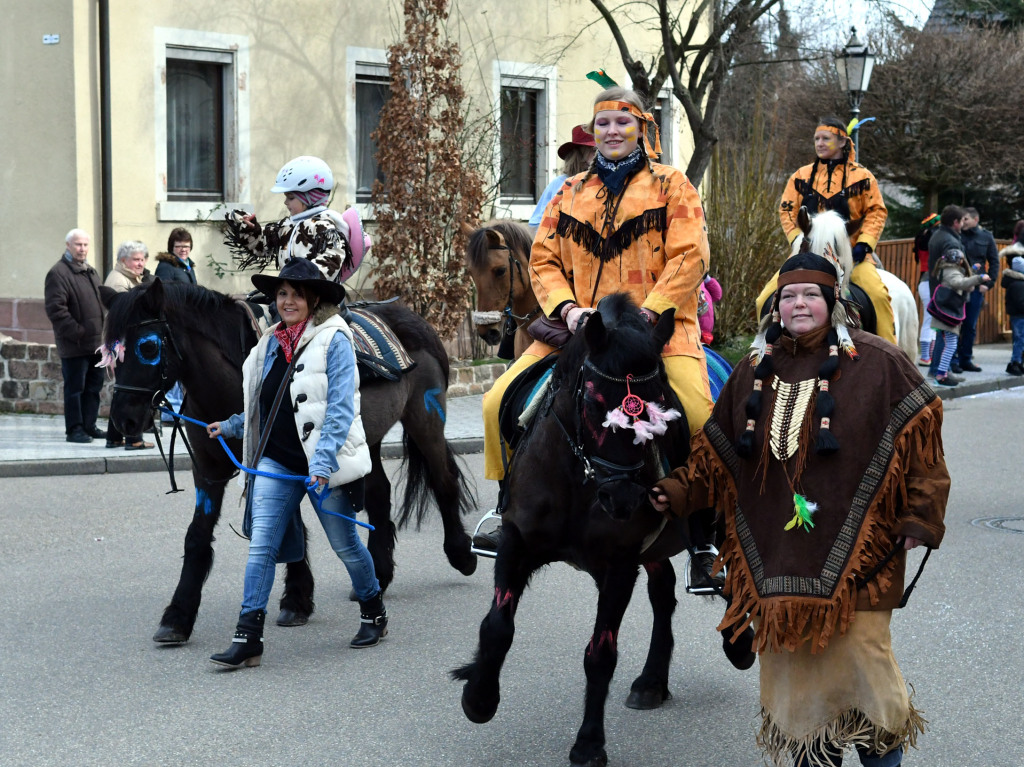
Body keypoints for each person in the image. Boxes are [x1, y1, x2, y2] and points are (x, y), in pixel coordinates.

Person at [650, 252, 949, 767]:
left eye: (810, 294)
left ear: (832, 302)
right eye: (788, 296)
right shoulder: (752, 370)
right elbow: (716, 455)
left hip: (863, 554)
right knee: (798, 687)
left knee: (866, 674)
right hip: (778, 557)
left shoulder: (878, 362)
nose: (799, 304)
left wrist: (920, 514)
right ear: (775, 309)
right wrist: (676, 491)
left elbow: (922, 437)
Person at [474, 87, 714, 558]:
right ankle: (507, 512)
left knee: (701, 417)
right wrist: (568, 310)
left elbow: (692, 254)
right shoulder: (569, 191)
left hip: (659, 337)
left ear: (641, 128)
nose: (612, 132)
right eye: (603, 124)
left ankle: (703, 536)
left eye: (622, 123)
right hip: (586, 335)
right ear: (594, 131)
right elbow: (542, 261)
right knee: (493, 404)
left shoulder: (673, 185)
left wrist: (652, 310)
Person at [206, 257, 385, 670]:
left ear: (313, 299)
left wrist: (321, 465)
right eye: (281, 293)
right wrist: (232, 425)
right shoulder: (271, 341)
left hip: (322, 465)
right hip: (275, 461)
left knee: (346, 546)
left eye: (296, 294)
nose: (287, 301)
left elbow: (340, 408)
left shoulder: (334, 340)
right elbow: (263, 401)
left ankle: (373, 608)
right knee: (261, 547)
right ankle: (248, 636)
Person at [772, 117, 896, 345]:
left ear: (842, 142)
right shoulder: (800, 176)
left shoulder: (863, 176)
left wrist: (864, 244)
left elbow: (876, 211)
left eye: (825, 139)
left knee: (878, 297)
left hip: (853, 258)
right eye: (816, 139)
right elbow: (787, 210)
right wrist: (797, 239)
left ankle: (892, 356)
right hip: (806, 255)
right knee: (765, 298)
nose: (819, 143)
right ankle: (766, 354)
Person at [223, 155, 371, 287]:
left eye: (291, 197)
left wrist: (302, 281)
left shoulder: (324, 227)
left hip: (316, 298)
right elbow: (261, 247)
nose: (286, 202)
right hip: (289, 293)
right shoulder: (287, 226)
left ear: (310, 198)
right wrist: (248, 227)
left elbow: (332, 260)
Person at [44, 229, 106, 444]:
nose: (82, 249)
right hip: (74, 345)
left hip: (96, 344)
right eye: (78, 245)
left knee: (93, 389)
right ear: (68, 245)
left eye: (85, 245)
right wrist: (78, 332)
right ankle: (75, 429)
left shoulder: (90, 271)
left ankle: (89, 425)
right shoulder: (58, 273)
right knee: (75, 390)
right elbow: (56, 310)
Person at [101, 241, 155, 450]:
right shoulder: (119, 281)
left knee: (121, 390)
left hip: (123, 341)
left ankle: (114, 437)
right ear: (123, 260)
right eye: (136, 259)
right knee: (132, 388)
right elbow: (126, 314)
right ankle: (134, 438)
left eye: (142, 259)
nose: (140, 263)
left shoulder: (130, 278)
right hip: (124, 343)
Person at [929, 245, 990, 386]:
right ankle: (940, 375)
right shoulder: (951, 272)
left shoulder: (948, 270)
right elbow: (960, 282)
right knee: (950, 345)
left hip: (947, 312)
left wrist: (973, 270)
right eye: (962, 260)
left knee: (950, 344)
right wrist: (979, 278)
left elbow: (961, 277)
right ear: (959, 261)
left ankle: (943, 373)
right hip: (948, 314)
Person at [155, 228, 197, 422]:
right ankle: (170, 414)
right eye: (179, 247)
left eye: (186, 246)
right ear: (171, 247)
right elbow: (164, 295)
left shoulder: (187, 266)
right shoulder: (167, 267)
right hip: (174, 324)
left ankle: (180, 411)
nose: (183, 250)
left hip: (186, 323)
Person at [527, 124, 596, 234]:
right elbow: (536, 225)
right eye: (594, 150)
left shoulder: (606, 183)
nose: (600, 155)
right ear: (579, 154)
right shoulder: (559, 184)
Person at [926, 205, 968, 382]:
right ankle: (940, 371)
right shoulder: (950, 241)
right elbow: (951, 269)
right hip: (948, 292)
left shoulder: (937, 235)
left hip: (938, 289)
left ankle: (938, 369)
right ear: (955, 222)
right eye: (962, 220)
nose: (964, 224)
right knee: (946, 333)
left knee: (941, 332)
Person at [956, 207, 1000, 372]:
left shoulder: (986, 236)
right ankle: (952, 359)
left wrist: (988, 284)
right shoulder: (957, 235)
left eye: (966, 219)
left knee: (970, 325)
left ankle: (965, 359)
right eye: (962, 219)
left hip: (976, 287)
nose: (963, 221)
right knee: (955, 322)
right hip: (959, 285)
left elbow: (994, 262)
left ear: (975, 220)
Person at [913, 213, 940, 365]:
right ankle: (926, 356)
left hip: (924, 280)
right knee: (931, 319)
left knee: (930, 318)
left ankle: (928, 355)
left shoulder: (921, 238)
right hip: (930, 281)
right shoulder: (933, 239)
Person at [1001, 239, 1024, 376]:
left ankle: (1018, 362)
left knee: (1020, 340)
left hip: (1018, 315)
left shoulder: (1016, 283)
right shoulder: (1018, 284)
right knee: (1019, 339)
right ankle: (1015, 362)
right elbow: (1020, 302)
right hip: (1019, 315)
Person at [698, 274, 723, 345]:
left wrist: (706, 278)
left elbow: (717, 295)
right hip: (694, 331)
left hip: (706, 333)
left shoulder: (700, 279)